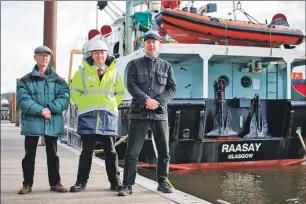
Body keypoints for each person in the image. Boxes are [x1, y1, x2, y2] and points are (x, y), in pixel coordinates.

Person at [118, 32, 176, 196]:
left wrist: (157, 101)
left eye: (154, 42)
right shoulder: (134, 64)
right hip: (139, 114)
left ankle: (162, 182)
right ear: (143, 45)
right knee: (132, 152)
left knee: (164, 151)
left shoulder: (166, 66)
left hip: (159, 114)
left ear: (159, 45)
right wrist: (145, 100)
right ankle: (128, 185)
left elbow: (172, 88)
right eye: (148, 42)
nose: (151, 44)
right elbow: (130, 84)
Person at [69, 39, 125, 192]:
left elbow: (120, 93)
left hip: (107, 117)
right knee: (86, 151)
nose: (100, 55)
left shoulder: (115, 74)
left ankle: (115, 183)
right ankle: (81, 182)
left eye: (102, 52)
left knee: (111, 152)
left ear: (107, 54)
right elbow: (74, 92)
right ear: (91, 55)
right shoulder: (81, 73)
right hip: (88, 117)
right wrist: (82, 105)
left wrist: (112, 105)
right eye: (96, 53)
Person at [16, 45, 70, 194]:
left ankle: (56, 183)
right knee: (29, 155)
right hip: (32, 123)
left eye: (46, 55)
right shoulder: (25, 80)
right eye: (40, 55)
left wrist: (50, 109)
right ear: (35, 57)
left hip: (51, 122)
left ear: (50, 58)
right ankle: (27, 184)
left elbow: (64, 98)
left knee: (53, 155)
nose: (44, 57)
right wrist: (41, 111)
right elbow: (23, 101)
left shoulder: (59, 80)